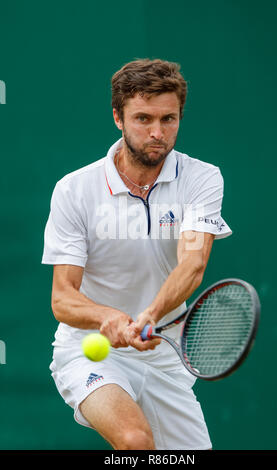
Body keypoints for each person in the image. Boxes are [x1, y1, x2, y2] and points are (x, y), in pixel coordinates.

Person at [42, 58, 232, 450]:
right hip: (91, 350)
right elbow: (63, 298)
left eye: (169, 119)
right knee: (133, 440)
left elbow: (193, 264)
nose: (157, 132)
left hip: (164, 355)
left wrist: (149, 315)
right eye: (143, 118)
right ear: (118, 117)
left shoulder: (202, 179)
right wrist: (108, 316)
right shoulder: (74, 190)